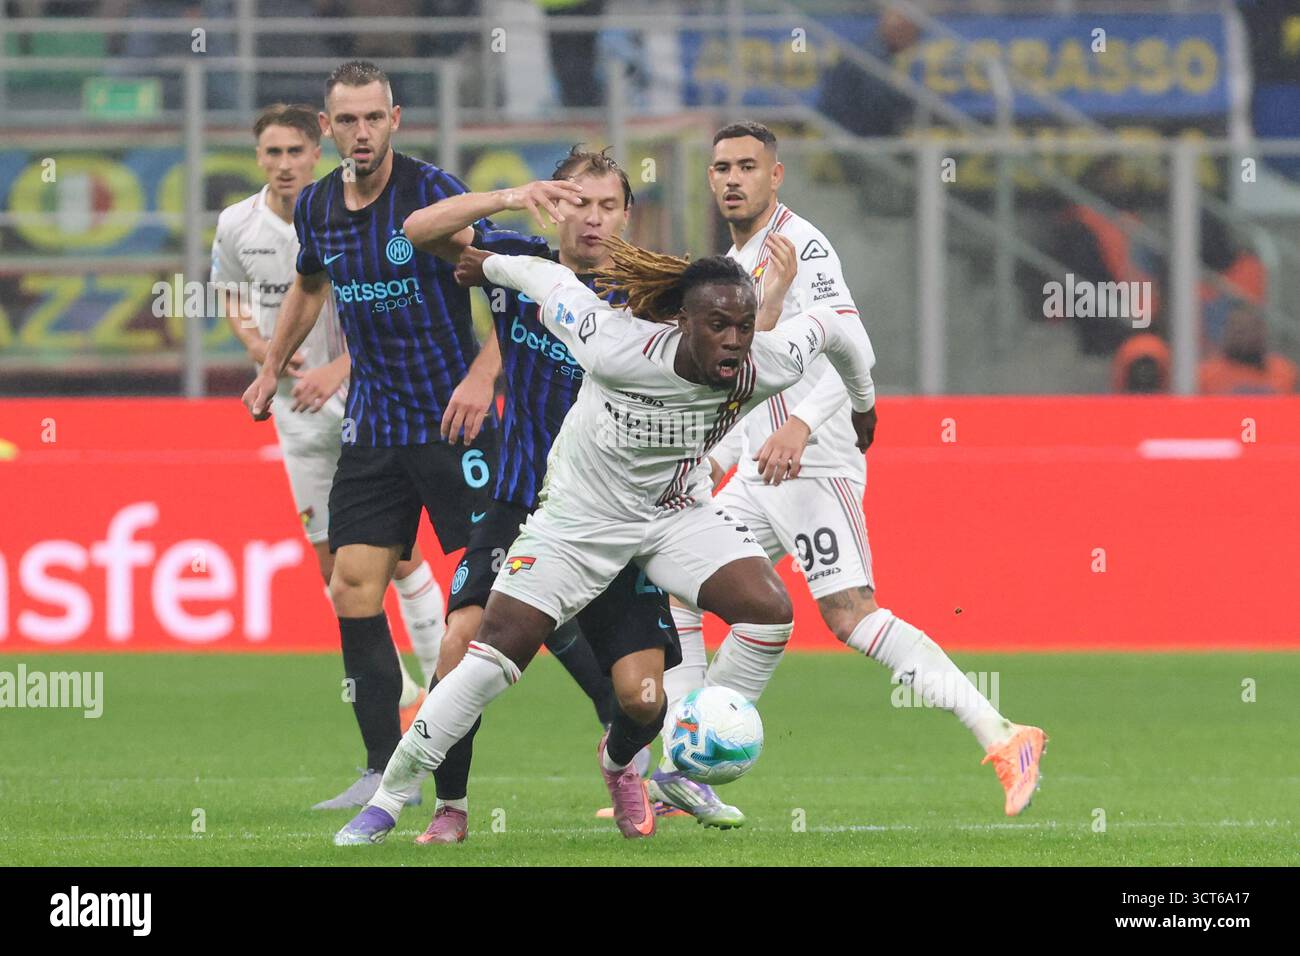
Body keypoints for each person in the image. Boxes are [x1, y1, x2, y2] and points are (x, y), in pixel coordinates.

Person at [331, 237, 880, 845]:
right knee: (491, 660)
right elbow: (547, 280)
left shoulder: (767, 362)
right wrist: (487, 265)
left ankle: (676, 745)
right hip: (578, 523)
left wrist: (862, 406)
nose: (733, 340)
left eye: (744, 327)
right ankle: (390, 796)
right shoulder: (616, 345)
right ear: (682, 322)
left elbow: (835, 328)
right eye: (717, 326)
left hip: (674, 515)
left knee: (771, 613)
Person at [658, 121, 1046, 821]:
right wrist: (715, 457)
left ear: (776, 176)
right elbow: (750, 378)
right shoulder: (737, 259)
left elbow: (853, 346)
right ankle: (687, 767)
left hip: (814, 461)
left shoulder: (799, 245)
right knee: (679, 583)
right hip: (758, 467)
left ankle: (1005, 735)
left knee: (848, 614)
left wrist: (802, 427)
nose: (733, 178)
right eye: (722, 167)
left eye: (748, 166)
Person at [241, 61, 549, 812]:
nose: (361, 133)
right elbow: (312, 288)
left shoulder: (432, 194)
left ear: (395, 118)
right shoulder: (315, 208)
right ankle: (382, 768)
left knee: (509, 594)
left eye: (373, 118)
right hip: (374, 427)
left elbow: (512, 284)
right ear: (327, 127)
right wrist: (270, 368)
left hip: (455, 424)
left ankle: (617, 721)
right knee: (352, 585)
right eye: (346, 120)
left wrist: (485, 378)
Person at [395, 146, 686, 843]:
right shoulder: (518, 262)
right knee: (459, 643)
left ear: (627, 213)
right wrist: (506, 196)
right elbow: (417, 231)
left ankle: (620, 763)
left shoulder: (654, 295)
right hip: (522, 503)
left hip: (616, 516)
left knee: (642, 696)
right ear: (555, 207)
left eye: (607, 205)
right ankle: (451, 806)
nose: (591, 218)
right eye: (576, 202)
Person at [213, 103, 448, 808]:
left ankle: (438, 676)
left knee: (389, 557)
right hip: (294, 410)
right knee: (333, 562)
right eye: (271, 152)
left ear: (317, 151)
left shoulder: (344, 212)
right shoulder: (236, 226)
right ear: (259, 158)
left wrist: (335, 370)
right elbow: (231, 291)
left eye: (294, 150)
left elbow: (380, 311)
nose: (283, 163)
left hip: (369, 401)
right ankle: (399, 692)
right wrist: (264, 355)